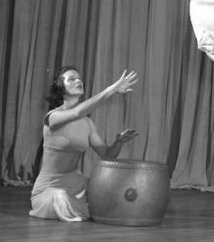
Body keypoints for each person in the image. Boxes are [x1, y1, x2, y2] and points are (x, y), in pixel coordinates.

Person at [29, 67, 139, 222]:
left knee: (111, 191)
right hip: (48, 189)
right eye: (72, 78)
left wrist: (119, 141)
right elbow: (76, 113)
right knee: (60, 197)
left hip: (78, 185)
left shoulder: (87, 123)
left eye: (79, 78)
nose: (78, 81)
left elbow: (108, 155)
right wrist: (111, 90)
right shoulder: (52, 117)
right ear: (60, 86)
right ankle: (92, 210)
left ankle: (94, 208)